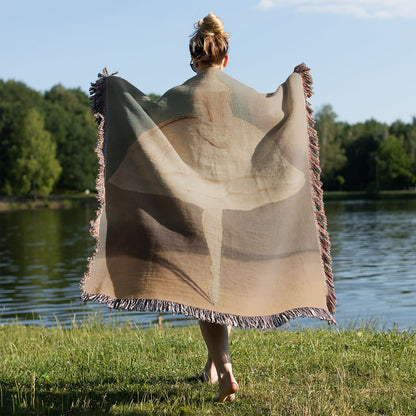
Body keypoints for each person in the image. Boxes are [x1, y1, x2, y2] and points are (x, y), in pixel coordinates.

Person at [188, 12, 239, 403]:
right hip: (235, 202)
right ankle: (210, 365)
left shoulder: (182, 94)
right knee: (220, 286)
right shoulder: (240, 95)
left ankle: (225, 371)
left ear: (194, 60)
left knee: (204, 294)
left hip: (195, 202)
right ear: (225, 58)